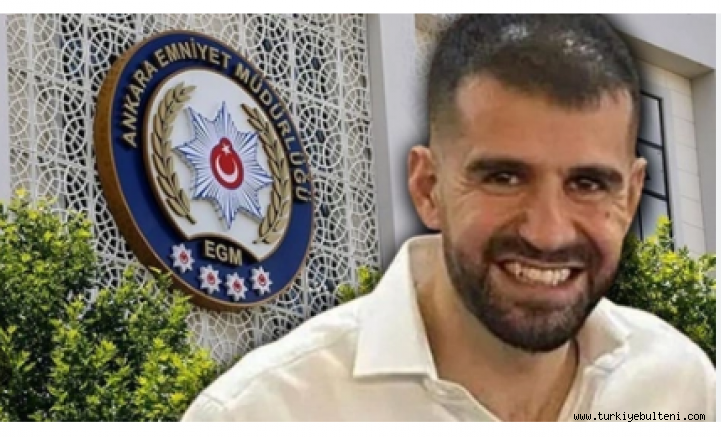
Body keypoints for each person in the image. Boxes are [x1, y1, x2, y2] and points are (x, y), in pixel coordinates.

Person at [182, 14, 716, 422]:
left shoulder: (680, 387)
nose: (548, 231)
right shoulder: (263, 414)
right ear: (427, 187)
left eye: (589, 184)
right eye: (503, 177)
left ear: (631, 196)